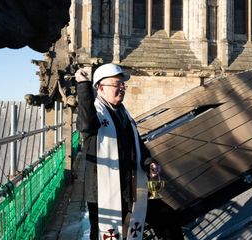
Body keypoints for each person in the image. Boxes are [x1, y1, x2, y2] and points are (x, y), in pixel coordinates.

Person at [75, 63, 184, 240]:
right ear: (101, 88)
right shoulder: (96, 113)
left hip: (132, 186)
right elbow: (86, 123)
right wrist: (83, 86)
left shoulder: (123, 113)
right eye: (117, 84)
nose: (123, 88)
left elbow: (138, 145)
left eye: (123, 84)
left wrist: (149, 162)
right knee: (103, 233)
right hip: (103, 192)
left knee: (166, 217)